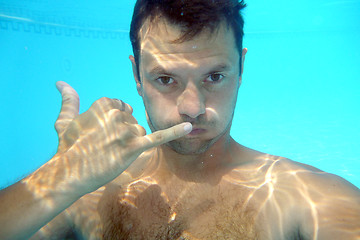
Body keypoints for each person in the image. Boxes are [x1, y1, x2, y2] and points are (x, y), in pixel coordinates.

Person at [1, 0, 359, 239]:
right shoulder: (88, 189)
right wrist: (62, 173)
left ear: (241, 69)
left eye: (214, 76)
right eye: (166, 79)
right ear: (137, 78)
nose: (193, 107)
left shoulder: (303, 195)